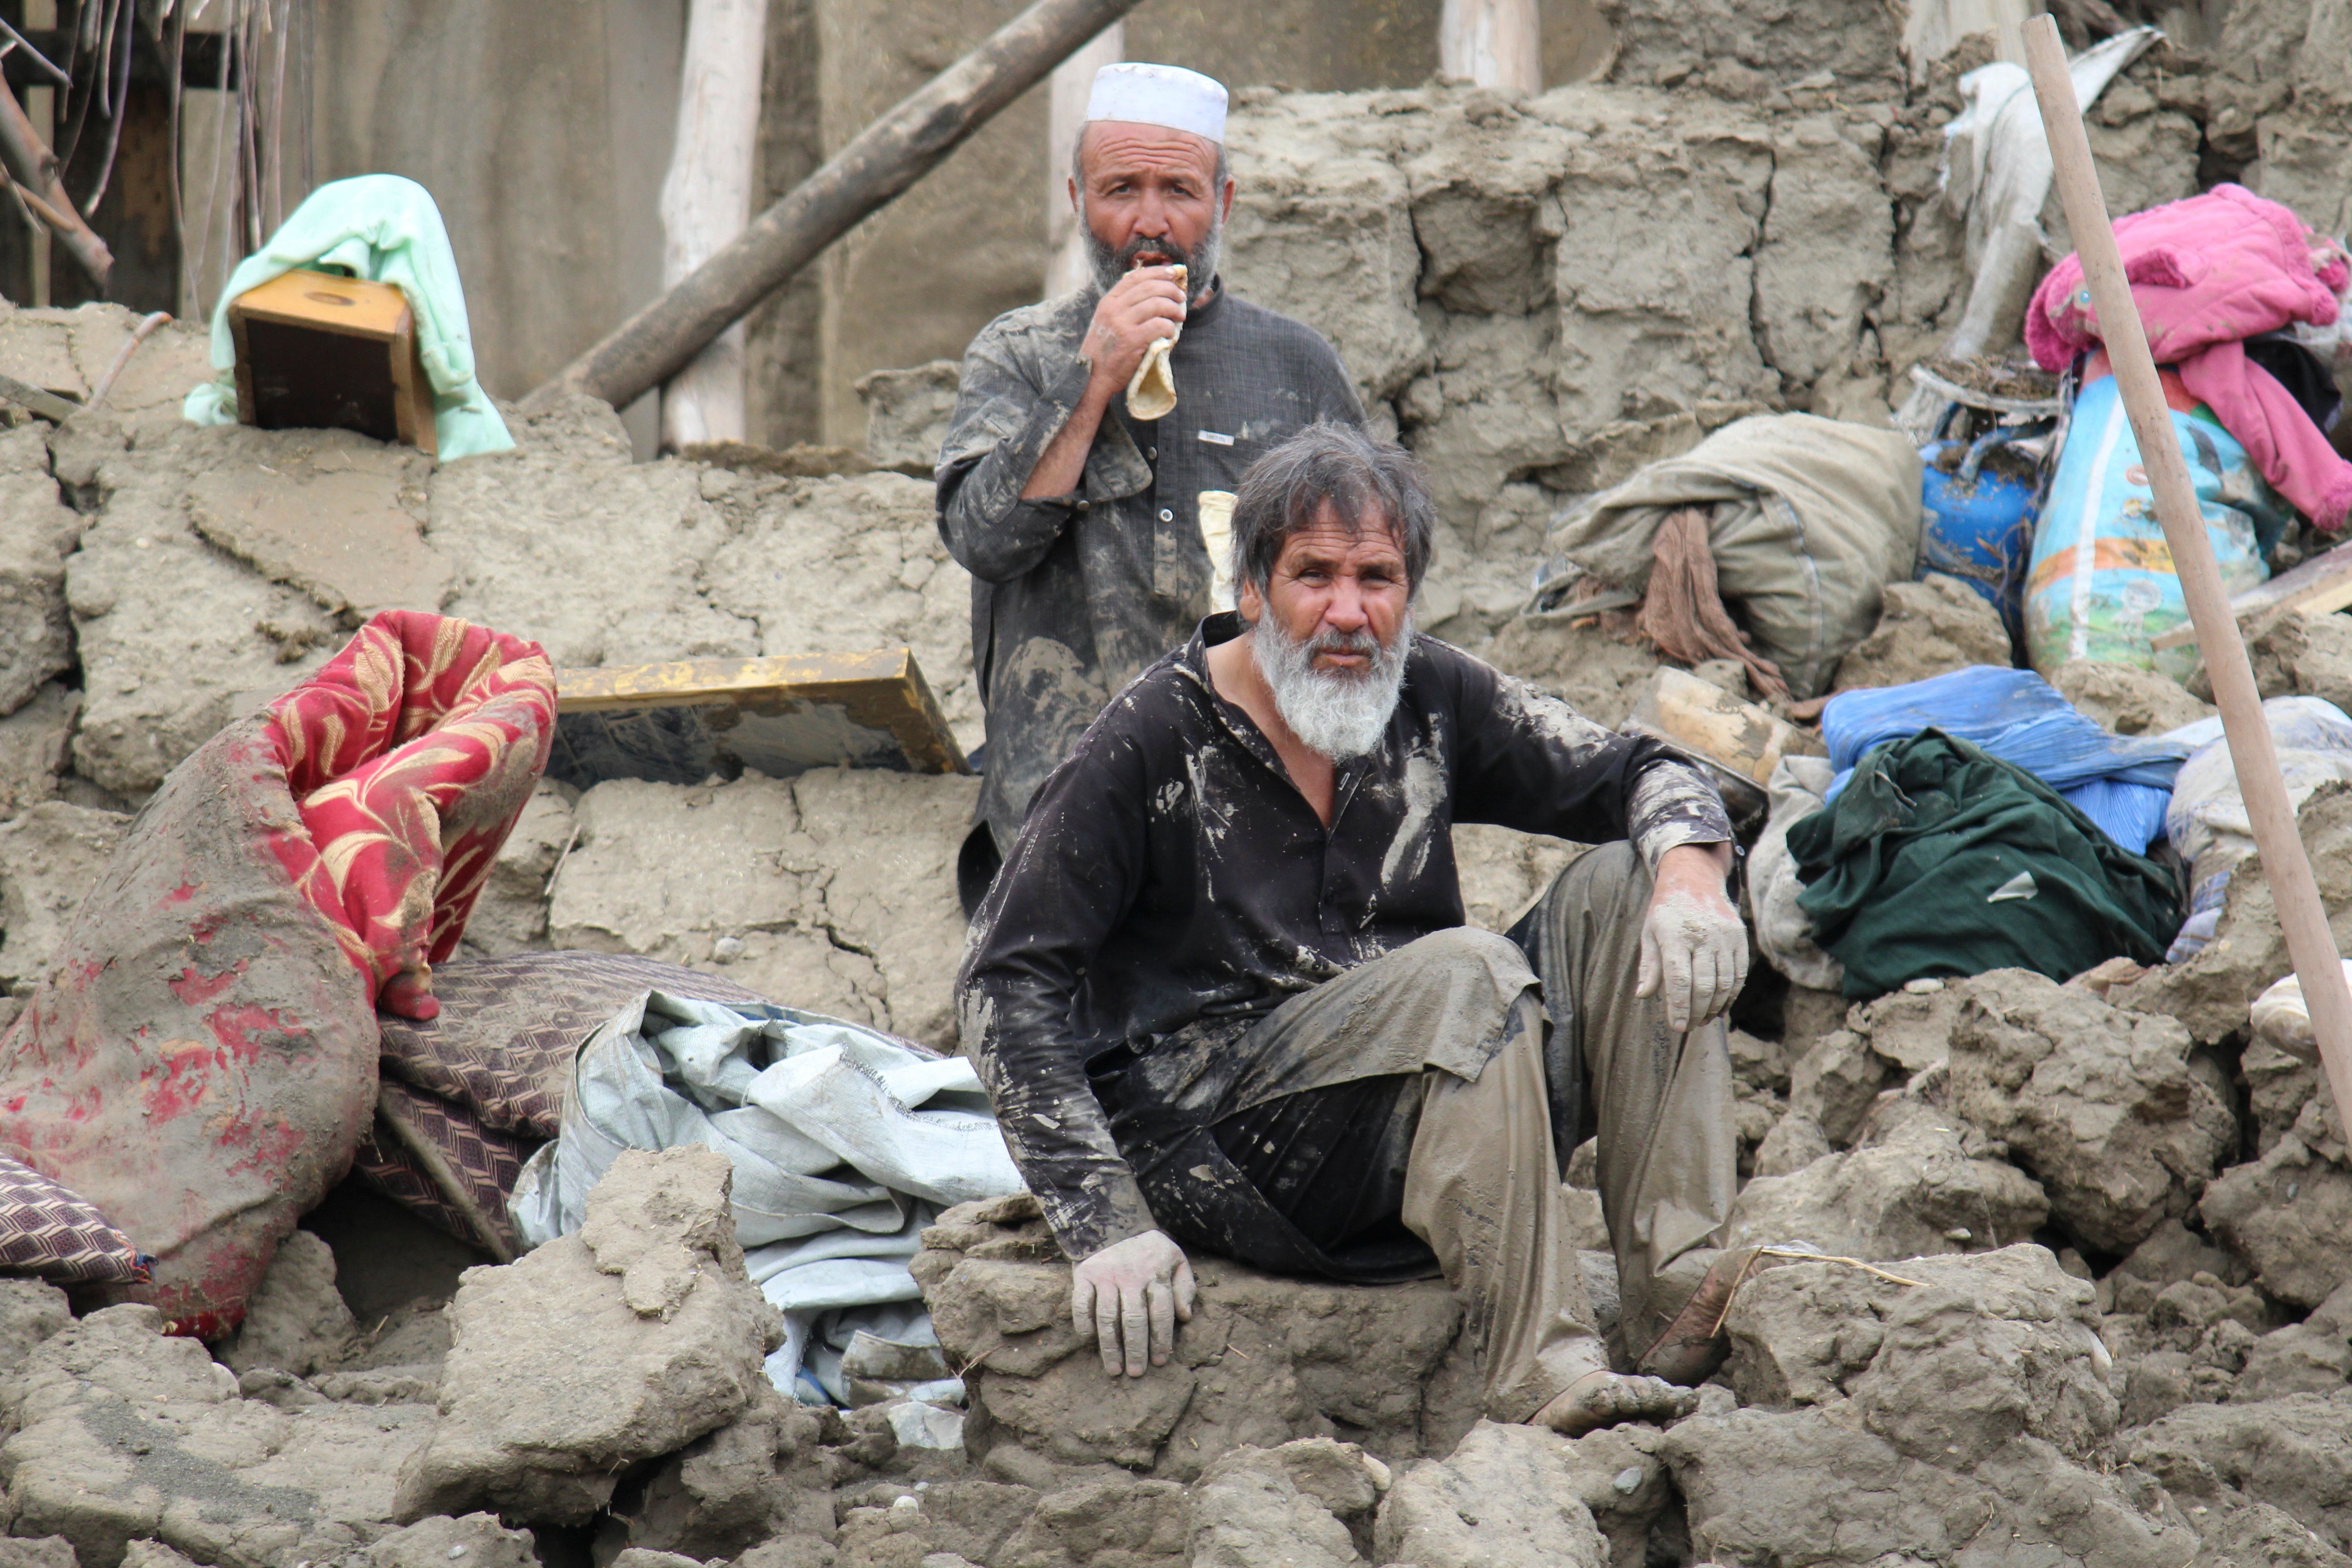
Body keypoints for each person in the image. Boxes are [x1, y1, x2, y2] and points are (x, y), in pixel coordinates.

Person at [956, 422, 1750, 1437]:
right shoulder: (1149, 739)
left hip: (1425, 1113)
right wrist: (1102, 1222)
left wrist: (1689, 875)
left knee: (1632, 881)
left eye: (1377, 578)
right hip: (1241, 1151)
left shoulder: (1432, 694)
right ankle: (1543, 1373)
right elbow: (1002, 984)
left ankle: (1678, 1300)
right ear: (1250, 589)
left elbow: (1643, 766)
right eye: (1312, 576)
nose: (1348, 613)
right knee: (1468, 968)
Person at [936, 61, 1365, 904]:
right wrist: (1094, 375)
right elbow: (984, 541)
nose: (1150, 223)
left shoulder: (1297, 368)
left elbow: (1359, 592)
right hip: (1058, 820)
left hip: (1252, 825)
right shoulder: (1019, 354)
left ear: (1226, 204)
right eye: (1120, 189)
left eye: (1180, 190)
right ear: (1076, 199)